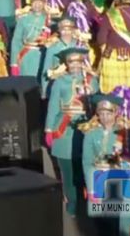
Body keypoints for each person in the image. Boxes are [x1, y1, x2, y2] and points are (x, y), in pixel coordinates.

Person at [45, 47, 99, 216]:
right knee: (67, 172)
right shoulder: (59, 82)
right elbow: (53, 107)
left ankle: (86, 199)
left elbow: (97, 107)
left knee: (85, 168)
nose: (75, 65)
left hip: (86, 130)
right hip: (64, 130)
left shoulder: (91, 81)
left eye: (78, 61)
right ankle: (72, 200)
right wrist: (48, 129)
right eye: (71, 62)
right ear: (65, 64)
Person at [80, 94, 130, 234]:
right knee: (99, 221)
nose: (105, 117)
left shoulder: (124, 133)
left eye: (108, 113)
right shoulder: (91, 134)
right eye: (101, 113)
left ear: (116, 113)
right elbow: (87, 162)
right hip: (97, 181)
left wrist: (123, 158)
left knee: (114, 222)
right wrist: (92, 189)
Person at [11, 0, 52, 78]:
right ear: (31, 2)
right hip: (26, 57)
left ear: (44, 3)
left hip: (43, 56)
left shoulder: (49, 20)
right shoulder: (23, 19)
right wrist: (14, 63)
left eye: (40, 1)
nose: (37, 4)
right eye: (34, 1)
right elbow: (16, 41)